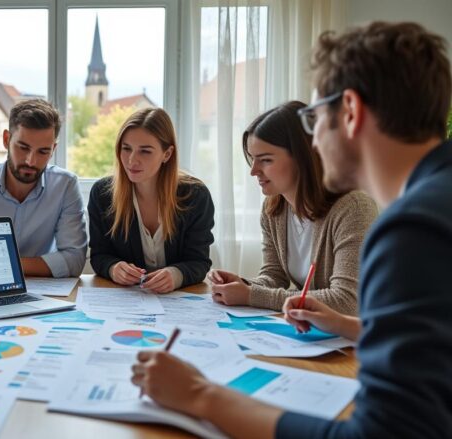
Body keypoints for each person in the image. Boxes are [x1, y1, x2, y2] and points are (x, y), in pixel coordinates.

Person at [131, 21, 452, 438]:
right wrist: (349, 326)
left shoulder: (414, 229)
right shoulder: (434, 203)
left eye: (314, 119)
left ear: (350, 112)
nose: (312, 141)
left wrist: (199, 395)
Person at [207, 101, 377, 313]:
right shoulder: (273, 209)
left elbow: (347, 300)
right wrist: (242, 285)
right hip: (315, 326)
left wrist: (250, 295)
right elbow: (274, 276)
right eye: (252, 159)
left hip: (365, 329)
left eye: (265, 160)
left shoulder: (353, 208)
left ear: (302, 158)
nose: (253, 171)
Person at [0, 99, 87, 278]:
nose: (31, 161)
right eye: (23, 147)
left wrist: (1, 264)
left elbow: (74, 260)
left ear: (53, 149)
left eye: (43, 152)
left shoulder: (65, 185)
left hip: (44, 290)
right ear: (6, 140)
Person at [88, 108, 214, 293]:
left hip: (178, 300)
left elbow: (199, 261)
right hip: (127, 300)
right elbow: (99, 255)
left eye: (145, 151)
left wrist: (176, 275)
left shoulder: (196, 196)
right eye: (126, 148)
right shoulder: (102, 194)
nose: (132, 160)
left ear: (167, 154)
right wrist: (113, 268)